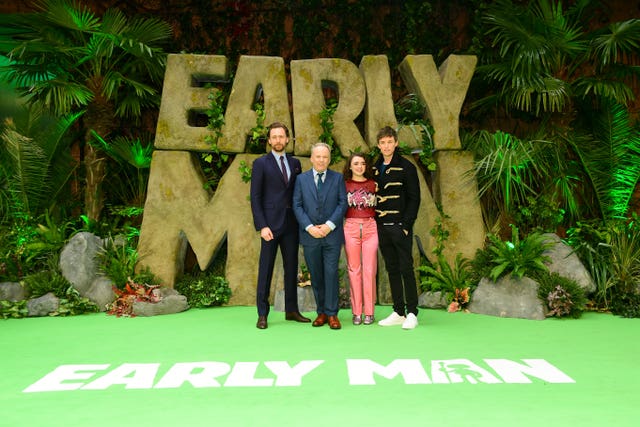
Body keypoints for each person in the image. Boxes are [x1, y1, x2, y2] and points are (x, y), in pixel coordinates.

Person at [250, 122, 310, 329]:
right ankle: (262, 314)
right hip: (270, 226)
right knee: (265, 268)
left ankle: (291, 310)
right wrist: (262, 226)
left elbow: (296, 194)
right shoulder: (261, 164)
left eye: (281, 136)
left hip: (291, 224)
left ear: (287, 139)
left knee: (291, 267)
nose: (277, 140)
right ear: (269, 140)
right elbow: (255, 197)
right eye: (274, 137)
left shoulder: (295, 164)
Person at [293, 142, 347, 330]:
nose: (321, 160)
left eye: (325, 157)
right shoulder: (301, 180)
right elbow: (297, 205)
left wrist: (329, 226)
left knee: (331, 273)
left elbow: (342, 204)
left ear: (329, 159)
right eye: (318, 156)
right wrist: (309, 227)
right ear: (312, 158)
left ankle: (332, 314)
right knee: (316, 275)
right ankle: (321, 312)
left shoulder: (338, 178)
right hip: (310, 237)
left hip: (331, 236)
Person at [373, 126, 421, 329]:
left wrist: (406, 225)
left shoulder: (406, 167)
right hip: (381, 227)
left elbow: (414, 198)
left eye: (389, 142)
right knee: (391, 268)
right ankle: (398, 311)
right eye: (382, 142)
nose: (386, 146)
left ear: (396, 143)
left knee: (406, 268)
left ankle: (412, 312)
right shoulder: (375, 167)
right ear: (378, 145)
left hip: (399, 227)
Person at [343, 153, 378, 326]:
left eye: (362, 163)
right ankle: (357, 312)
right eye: (355, 163)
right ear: (350, 166)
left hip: (371, 227)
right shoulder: (344, 185)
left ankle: (369, 312)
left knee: (370, 270)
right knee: (354, 270)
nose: (359, 166)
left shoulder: (373, 184)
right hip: (351, 227)